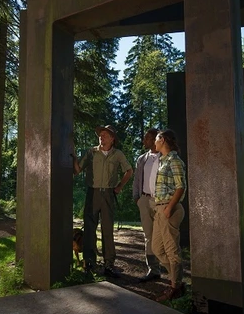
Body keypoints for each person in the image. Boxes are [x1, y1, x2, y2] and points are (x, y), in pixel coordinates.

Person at [72, 125, 133, 277]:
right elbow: (78, 169)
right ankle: (89, 263)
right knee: (89, 229)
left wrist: (119, 186)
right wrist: (73, 156)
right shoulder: (91, 152)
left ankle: (109, 264)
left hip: (108, 195)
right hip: (92, 193)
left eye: (105, 135)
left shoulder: (118, 154)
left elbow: (129, 171)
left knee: (107, 229)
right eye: (100, 134)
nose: (102, 136)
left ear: (112, 139)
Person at [151, 129, 187, 301]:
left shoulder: (174, 160)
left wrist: (169, 208)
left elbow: (181, 187)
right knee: (157, 248)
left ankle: (175, 288)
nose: (154, 143)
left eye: (156, 140)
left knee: (172, 250)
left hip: (169, 209)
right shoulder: (163, 161)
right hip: (160, 208)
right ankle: (177, 281)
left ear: (163, 139)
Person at [132, 128, 164, 282]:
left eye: (146, 138)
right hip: (144, 200)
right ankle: (153, 269)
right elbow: (137, 180)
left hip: (160, 202)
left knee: (164, 235)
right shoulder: (141, 159)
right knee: (148, 236)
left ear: (154, 140)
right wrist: (137, 198)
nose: (144, 141)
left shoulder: (165, 157)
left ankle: (172, 272)